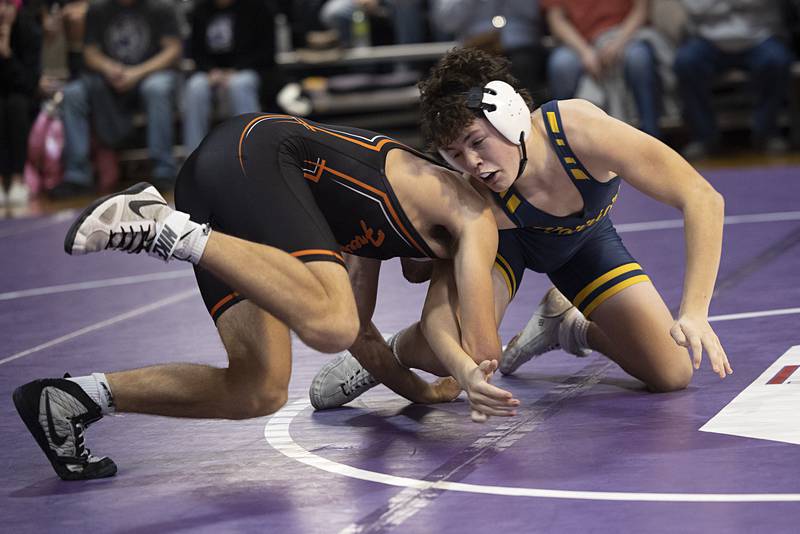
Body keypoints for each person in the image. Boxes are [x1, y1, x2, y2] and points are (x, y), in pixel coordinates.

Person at [13, 112, 520, 481]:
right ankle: (162, 226)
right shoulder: (461, 207)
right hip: (253, 152)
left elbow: (362, 340)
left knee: (260, 388)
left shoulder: (374, 243)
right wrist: (471, 358)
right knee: (331, 320)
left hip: (221, 185)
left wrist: (421, 392)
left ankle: (75, 398)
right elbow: (481, 346)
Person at [311, 47, 732, 412]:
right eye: (454, 153)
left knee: (672, 372)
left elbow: (702, 198)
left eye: (477, 142)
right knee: (461, 359)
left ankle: (569, 326)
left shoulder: (581, 132)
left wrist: (695, 310)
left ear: (510, 113)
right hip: (503, 250)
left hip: (583, 243)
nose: (472, 163)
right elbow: (423, 286)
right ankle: (389, 351)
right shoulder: (468, 195)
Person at [52, 0, 182, 198]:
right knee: (72, 94)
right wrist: (109, 67)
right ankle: (77, 175)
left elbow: (173, 49)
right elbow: (90, 52)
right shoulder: (98, 8)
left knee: (155, 89)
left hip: (151, 74)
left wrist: (137, 73)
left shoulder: (161, 6)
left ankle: (163, 170)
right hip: (109, 78)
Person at [674, 0, 795, 158]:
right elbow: (695, 7)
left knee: (777, 60)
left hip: (759, 37)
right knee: (686, 62)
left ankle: (767, 133)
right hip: (709, 40)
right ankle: (704, 137)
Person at [543, 0, 663, 138]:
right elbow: (556, 20)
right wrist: (585, 52)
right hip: (578, 43)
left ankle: (652, 136)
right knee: (561, 65)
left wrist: (618, 43)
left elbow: (641, 9)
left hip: (625, 35)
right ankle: (565, 141)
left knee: (639, 59)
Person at [182, 0, 277, 153]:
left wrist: (235, 70)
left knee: (239, 85)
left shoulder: (258, 7)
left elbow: (267, 52)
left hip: (248, 70)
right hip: (212, 72)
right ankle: (193, 156)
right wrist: (211, 70)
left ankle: (250, 153)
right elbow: (196, 53)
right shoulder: (200, 10)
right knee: (195, 87)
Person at [0, 0, 41, 207]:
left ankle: (17, 178)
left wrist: (6, 53)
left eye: (6, 4)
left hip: (25, 100)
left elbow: (29, 82)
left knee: (15, 106)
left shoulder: (29, 30)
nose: (1, 11)